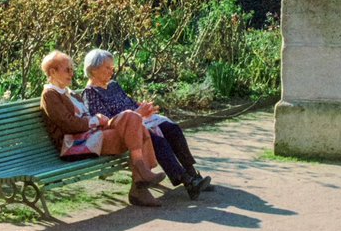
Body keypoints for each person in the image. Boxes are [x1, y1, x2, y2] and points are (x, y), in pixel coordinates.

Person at [39, 51, 165, 208]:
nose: (72, 74)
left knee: (133, 120)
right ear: (52, 72)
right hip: (73, 144)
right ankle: (140, 182)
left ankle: (140, 178)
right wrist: (94, 120)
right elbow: (68, 124)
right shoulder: (50, 95)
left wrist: (97, 119)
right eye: (67, 70)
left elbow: (85, 117)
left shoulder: (69, 93)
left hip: (91, 135)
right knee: (137, 127)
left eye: (72, 69)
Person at [82, 49, 212, 200]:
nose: (112, 71)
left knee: (172, 129)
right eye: (107, 68)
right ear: (93, 69)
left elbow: (130, 104)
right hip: (124, 133)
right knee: (156, 140)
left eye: (112, 67)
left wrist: (145, 109)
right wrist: (138, 113)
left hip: (138, 122)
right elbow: (106, 122)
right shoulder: (90, 93)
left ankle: (192, 173)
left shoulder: (113, 86)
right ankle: (187, 181)